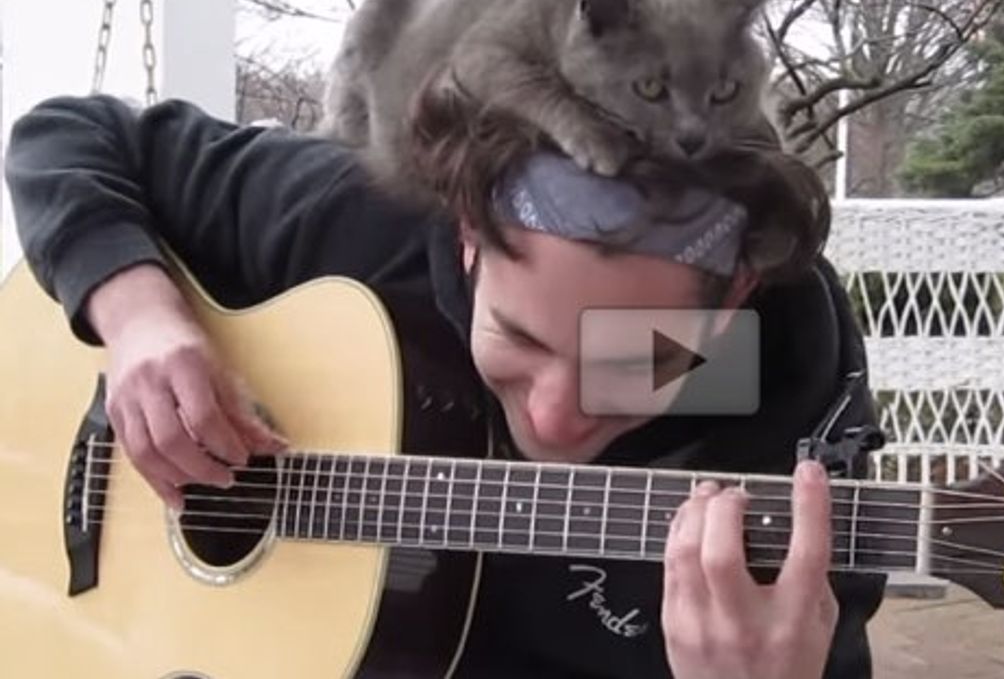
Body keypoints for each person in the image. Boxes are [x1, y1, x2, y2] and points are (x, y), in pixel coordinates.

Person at [4, 80, 886, 678]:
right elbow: (67, 136)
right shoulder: (363, 220)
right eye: (519, 336)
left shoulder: (785, 403)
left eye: (633, 357)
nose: (554, 414)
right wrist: (139, 320)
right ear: (466, 234)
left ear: (734, 297)